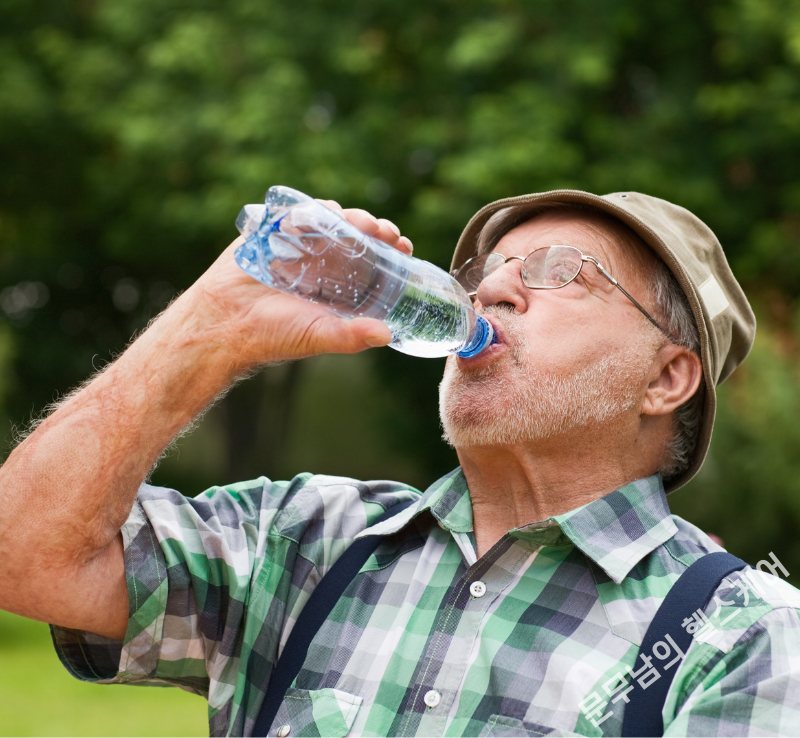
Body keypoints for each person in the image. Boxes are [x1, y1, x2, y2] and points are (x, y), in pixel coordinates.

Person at [1, 188, 799, 737]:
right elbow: (24, 551)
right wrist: (211, 330)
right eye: (485, 272)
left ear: (666, 379)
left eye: (560, 271)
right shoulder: (304, 540)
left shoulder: (740, 638)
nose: (493, 290)